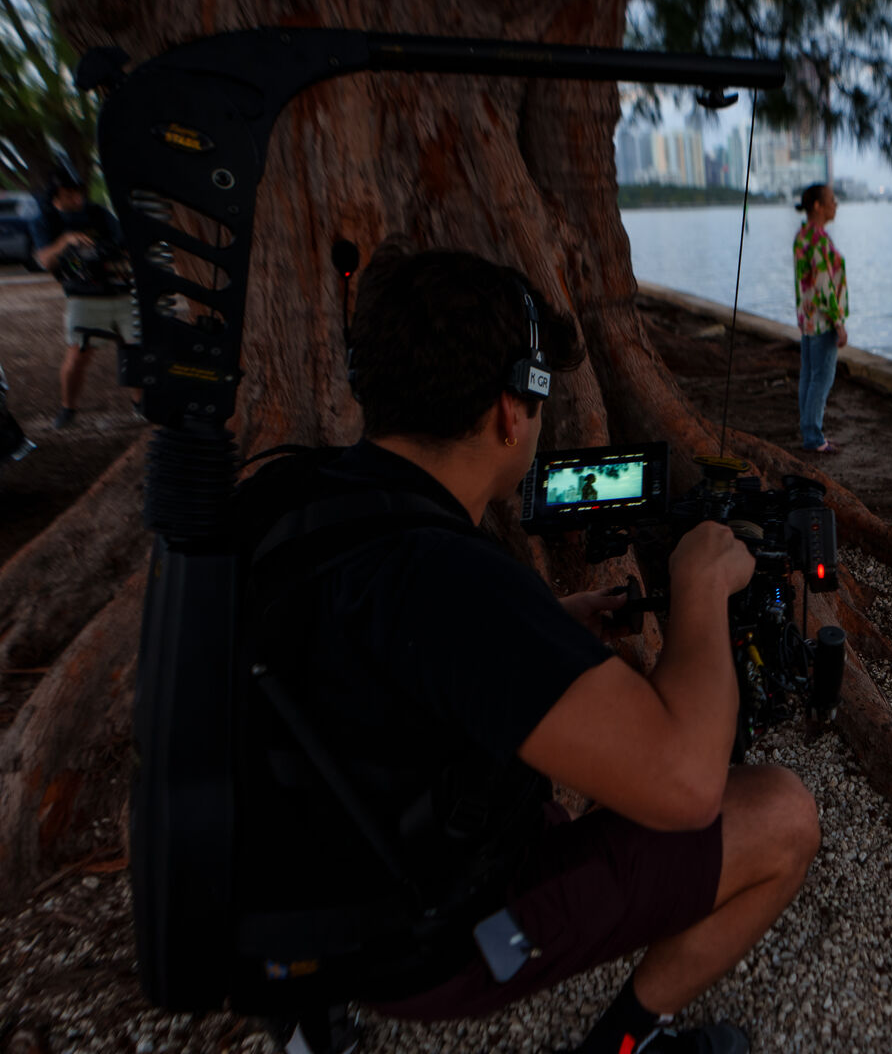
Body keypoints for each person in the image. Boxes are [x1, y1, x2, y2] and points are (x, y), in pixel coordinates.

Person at [238, 246, 818, 1054]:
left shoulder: (286, 497)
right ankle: (622, 1044)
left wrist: (546, 625)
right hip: (423, 945)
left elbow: (369, 655)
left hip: (283, 903)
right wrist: (699, 589)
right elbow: (687, 789)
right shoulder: (453, 580)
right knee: (782, 814)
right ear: (513, 412)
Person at [29, 165, 136, 429]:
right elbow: (44, 260)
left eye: (79, 192)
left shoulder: (97, 213)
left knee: (136, 350)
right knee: (79, 354)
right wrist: (67, 240)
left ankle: (140, 405)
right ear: (57, 193)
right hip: (84, 297)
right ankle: (68, 408)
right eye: (70, 193)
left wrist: (112, 251)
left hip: (122, 292)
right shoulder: (45, 220)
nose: (78, 198)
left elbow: (124, 241)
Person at [791, 183, 848, 454]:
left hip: (808, 319)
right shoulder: (818, 239)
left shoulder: (802, 236)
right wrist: (838, 322)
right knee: (821, 378)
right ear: (817, 205)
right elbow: (824, 286)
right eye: (831, 200)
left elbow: (805, 285)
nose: (835, 204)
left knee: (809, 377)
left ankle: (810, 433)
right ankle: (814, 438)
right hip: (823, 321)